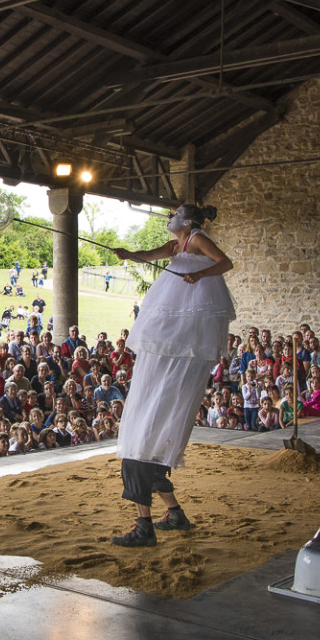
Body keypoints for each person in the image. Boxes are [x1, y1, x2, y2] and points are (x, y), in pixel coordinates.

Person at [110, 204, 235, 547]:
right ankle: (175, 513)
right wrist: (127, 254)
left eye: (174, 214)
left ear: (188, 221)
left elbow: (225, 262)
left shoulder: (196, 238)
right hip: (174, 313)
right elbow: (149, 253)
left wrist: (199, 275)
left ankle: (144, 527)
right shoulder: (176, 245)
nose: (170, 219)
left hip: (192, 308)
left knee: (138, 455)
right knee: (144, 451)